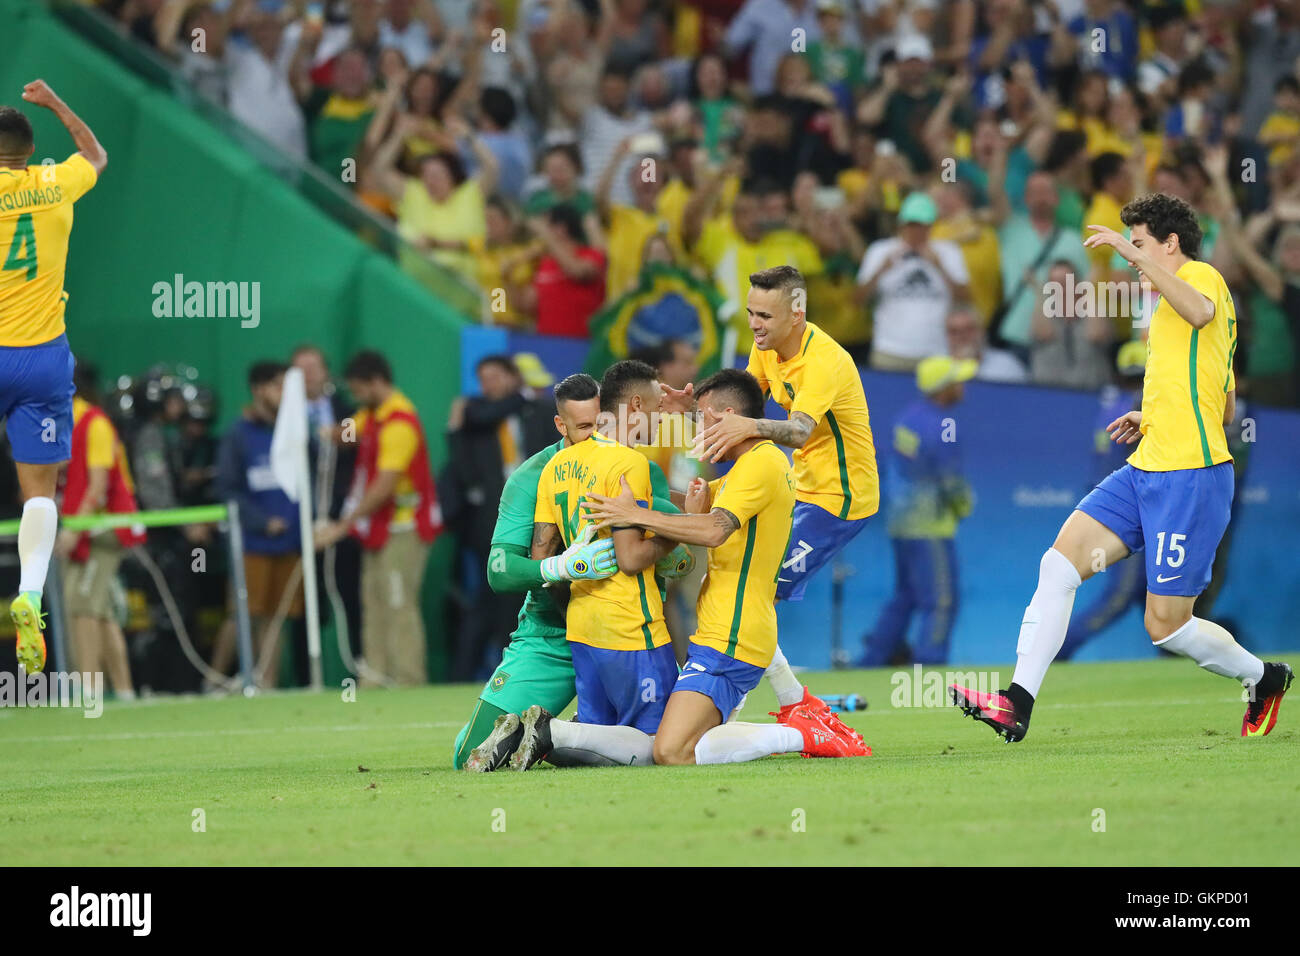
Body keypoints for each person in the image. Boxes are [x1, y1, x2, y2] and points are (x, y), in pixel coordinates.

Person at [951, 193, 1293, 742]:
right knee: (1059, 567)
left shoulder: (1204, 279)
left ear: (1170, 244)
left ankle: (1264, 677)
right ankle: (1016, 703)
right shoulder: (1167, 308)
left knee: (1164, 626)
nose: (1133, 255)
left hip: (1192, 476)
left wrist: (1129, 257)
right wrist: (1155, 412)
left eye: (1139, 243)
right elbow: (1224, 404)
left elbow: (1202, 314)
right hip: (1146, 468)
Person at [493, 369, 869, 768]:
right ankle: (551, 735)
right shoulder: (745, 469)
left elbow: (711, 529)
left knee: (671, 750)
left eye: (703, 419)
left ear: (730, 417)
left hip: (734, 636)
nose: (696, 431)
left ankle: (803, 732)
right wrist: (620, 487)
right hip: (719, 632)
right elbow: (691, 504)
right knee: (669, 743)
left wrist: (635, 511)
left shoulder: (764, 464)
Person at [673, 265, 879, 731]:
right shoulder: (765, 347)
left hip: (839, 500)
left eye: (765, 314)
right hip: (798, 487)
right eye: (751, 312)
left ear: (797, 313)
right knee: (744, 578)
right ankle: (791, 700)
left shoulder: (824, 360)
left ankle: (765, 700)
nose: (755, 324)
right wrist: (687, 409)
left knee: (758, 586)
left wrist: (750, 427)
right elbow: (740, 405)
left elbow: (800, 431)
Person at [453, 373, 648, 768]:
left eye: (602, 424)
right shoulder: (531, 477)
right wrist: (563, 566)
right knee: (469, 755)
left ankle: (560, 733)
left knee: (669, 743)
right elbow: (499, 570)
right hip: (552, 635)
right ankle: (563, 734)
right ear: (560, 425)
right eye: (584, 428)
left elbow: (666, 531)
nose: (595, 435)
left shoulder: (629, 463)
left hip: (621, 629)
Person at [0, 80, 107, 674]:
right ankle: (31, 594)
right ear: (28, 148)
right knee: (38, 492)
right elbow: (96, 156)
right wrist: (58, 102)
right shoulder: (53, 182)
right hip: (42, 355)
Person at [315, 351, 443, 686]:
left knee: (399, 604)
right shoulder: (373, 415)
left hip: (404, 528)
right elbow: (347, 433)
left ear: (375, 382)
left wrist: (341, 527)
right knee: (374, 604)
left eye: (358, 390)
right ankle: (375, 677)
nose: (355, 398)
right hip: (378, 529)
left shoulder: (399, 422)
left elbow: (383, 486)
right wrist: (322, 431)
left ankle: (408, 680)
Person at [442, 355, 555, 681]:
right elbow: (462, 468)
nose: (488, 385)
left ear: (511, 376)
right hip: (493, 520)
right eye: (483, 379)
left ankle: (531, 667)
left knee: (537, 586)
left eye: (494, 376)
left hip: (540, 515)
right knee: (492, 591)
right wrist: (454, 426)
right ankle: (468, 673)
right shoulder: (479, 419)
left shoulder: (539, 413)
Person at [858, 355, 975, 667]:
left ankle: (872, 659)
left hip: (900, 522)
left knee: (906, 595)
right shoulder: (944, 425)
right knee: (941, 601)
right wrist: (964, 505)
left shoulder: (908, 417)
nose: (963, 386)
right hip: (929, 527)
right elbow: (950, 479)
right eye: (956, 381)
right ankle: (930, 662)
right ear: (943, 388)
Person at [212, 362, 304, 689]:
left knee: (276, 618)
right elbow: (226, 489)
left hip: (290, 544)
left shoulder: (293, 431)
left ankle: (267, 684)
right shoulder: (237, 434)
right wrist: (262, 522)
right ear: (258, 390)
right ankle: (215, 681)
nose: (284, 395)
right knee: (242, 616)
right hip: (251, 543)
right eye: (277, 387)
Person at [57, 363, 145, 698]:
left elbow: (98, 485)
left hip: (102, 529)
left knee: (80, 603)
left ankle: (88, 688)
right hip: (84, 526)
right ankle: (124, 691)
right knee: (101, 610)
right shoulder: (72, 423)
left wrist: (73, 530)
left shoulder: (96, 424)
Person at [1057, 341, 1149, 661]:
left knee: (1156, 598)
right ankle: (1060, 648)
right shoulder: (1139, 407)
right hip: (1132, 513)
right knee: (1121, 596)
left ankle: (1179, 659)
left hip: (1110, 508)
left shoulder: (1109, 406)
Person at [856, 190, 970, 372]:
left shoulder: (948, 251)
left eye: (923, 225)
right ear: (902, 225)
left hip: (936, 350)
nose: (917, 231)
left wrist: (940, 266)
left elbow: (966, 299)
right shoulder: (880, 250)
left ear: (931, 226)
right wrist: (882, 269)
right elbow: (857, 300)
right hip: (889, 349)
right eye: (912, 225)